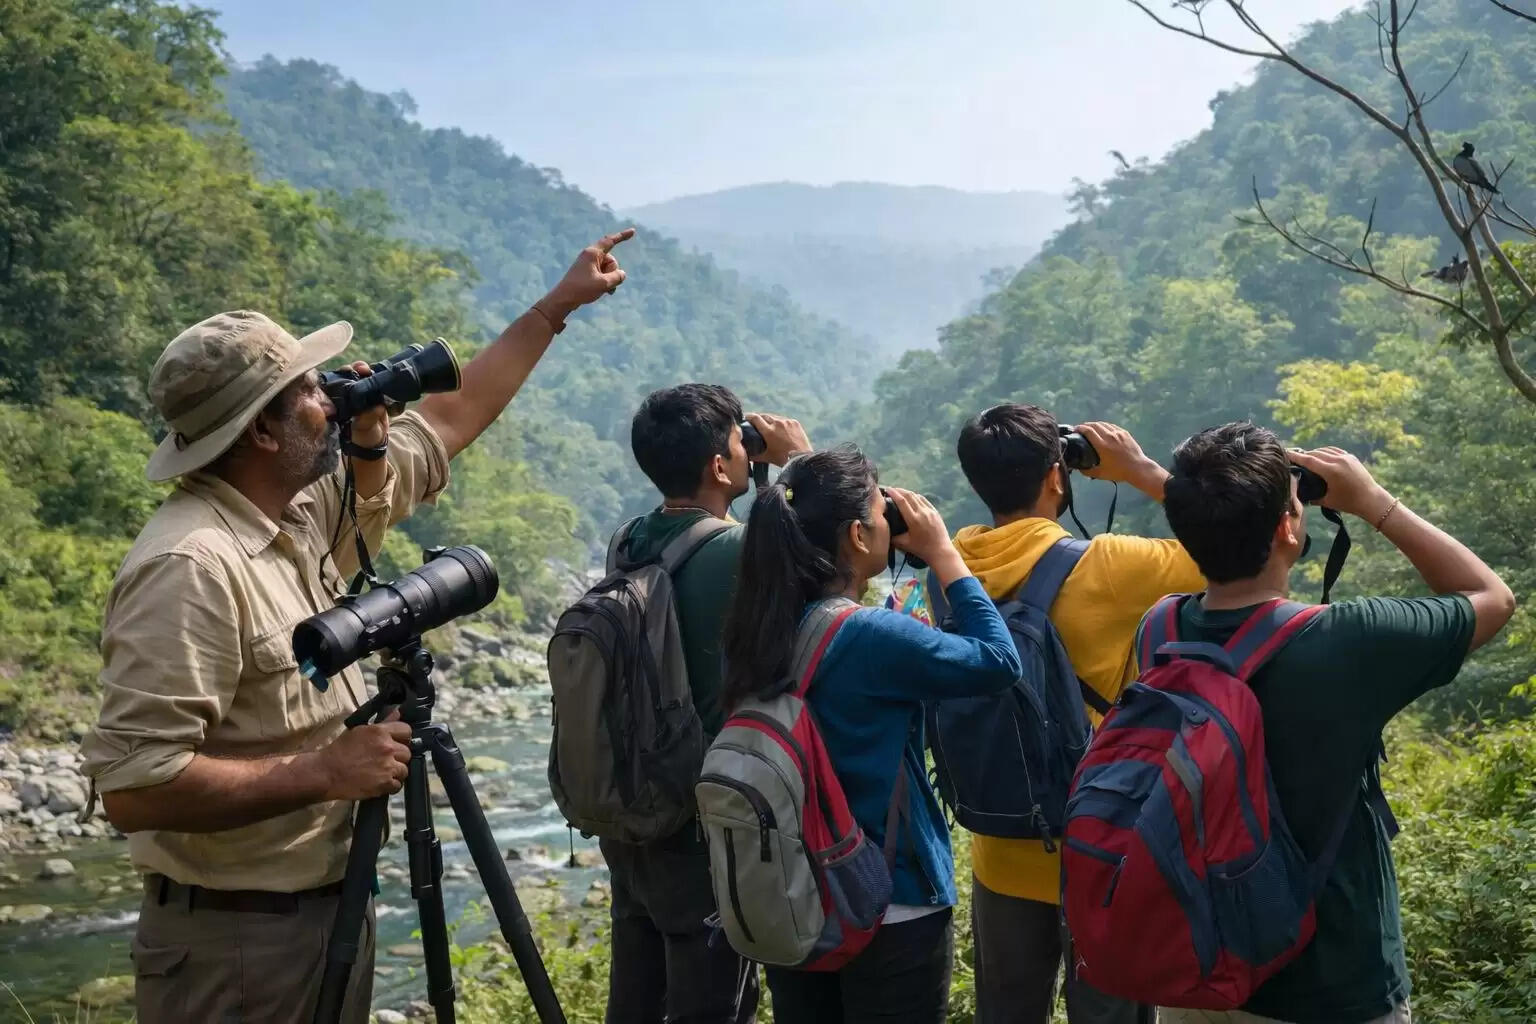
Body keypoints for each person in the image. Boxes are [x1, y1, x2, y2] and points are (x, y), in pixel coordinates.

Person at [79, 229, 636, 1024]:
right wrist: (325, 771)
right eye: (311, 389)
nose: (329, 396)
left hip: (327, 916)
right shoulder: (191, 565)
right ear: (263, 434)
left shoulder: (300, 512)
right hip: (235, 949)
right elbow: (134, 784)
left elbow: (451, 418)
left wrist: (555, 307)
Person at [1156, 422, 1515, 1024]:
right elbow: (1491, 596)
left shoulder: (1160, 629)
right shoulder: (1349, 640)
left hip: (1198, 969)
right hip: (1330, 982)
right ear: (1287, 527)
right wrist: (1375, 502)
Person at [721, 444, 1025, 1023]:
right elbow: (997, 661)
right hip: (890, 900)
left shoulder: (755, 628)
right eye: (881, 516)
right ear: (858, 538)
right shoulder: (870, 635)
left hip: (794, 895)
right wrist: (943, 554)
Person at [952, 404, 1205, 1024]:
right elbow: (1232, 546)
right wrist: (1140, 469)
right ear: (1056, 477)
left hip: (1002, 837)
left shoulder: (955, 561)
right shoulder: (1109, 565)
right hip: (1103, 846)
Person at [598, 383, 811, 1024]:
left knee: (635, 995)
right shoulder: (737, 550)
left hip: (636, 809)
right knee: (712, 1003)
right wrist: (798, 463)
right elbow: (836, 563)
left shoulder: (628, 542)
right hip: (707, 822)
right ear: (721, 465)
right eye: (737, 446)